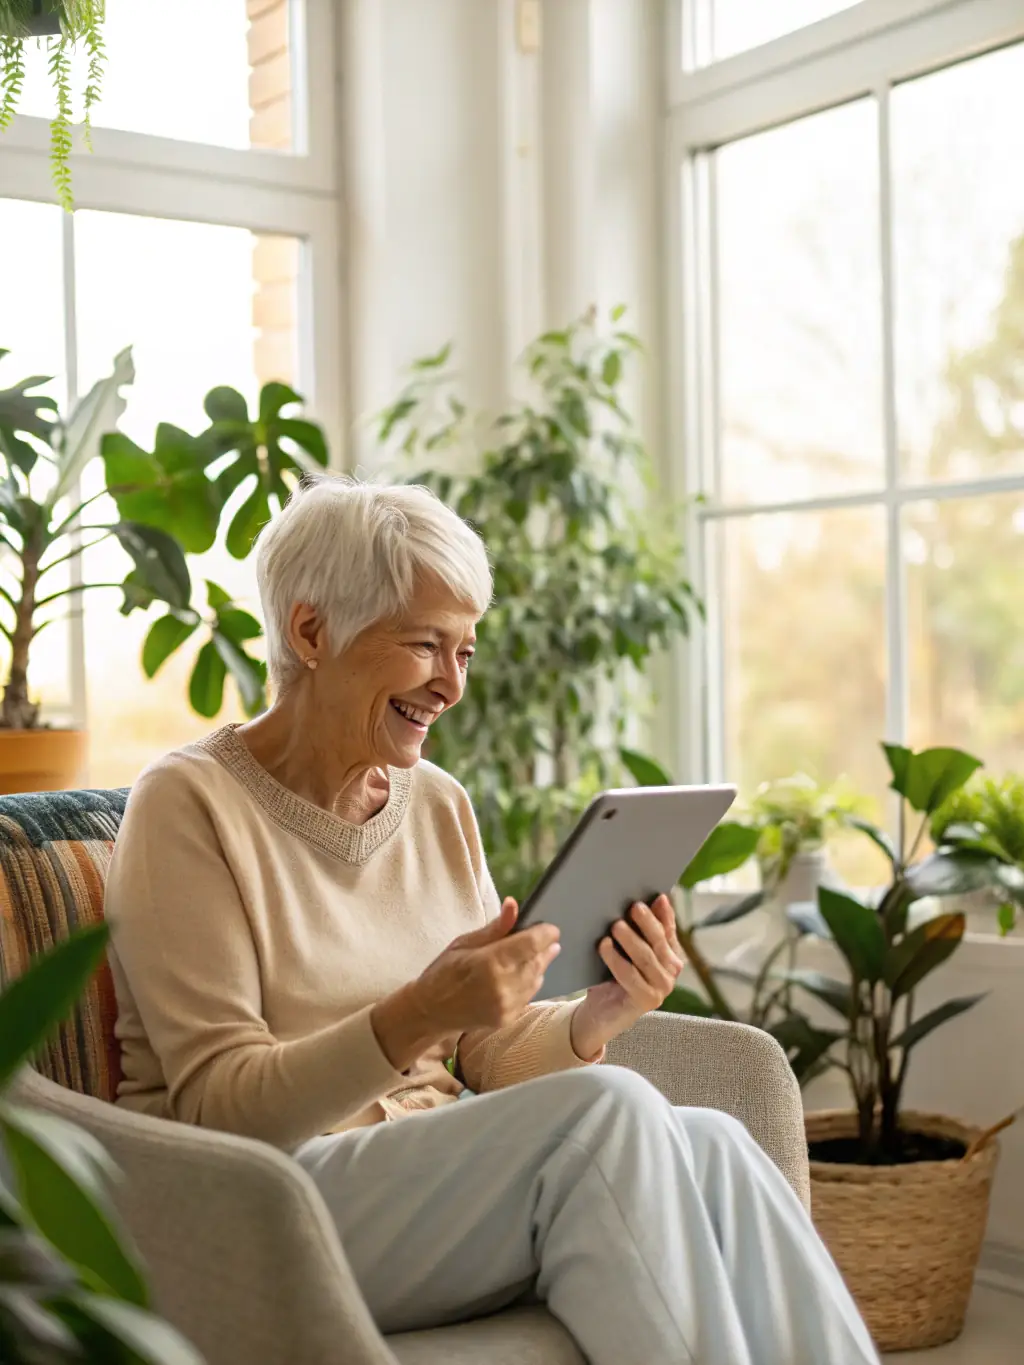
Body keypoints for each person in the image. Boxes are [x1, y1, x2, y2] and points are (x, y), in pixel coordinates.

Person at [105, 475, 879, 1365]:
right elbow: (219, 1108)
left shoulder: (436, 803)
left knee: (714, 1144)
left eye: (465, 650)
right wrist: (417, 1013)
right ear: (311, 632)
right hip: (260, 1196)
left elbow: (484, 1052)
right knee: (610, 1114)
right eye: (425, 643)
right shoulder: (187, 802)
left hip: (415, 1174)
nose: (450, 684)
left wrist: (596, 1017)